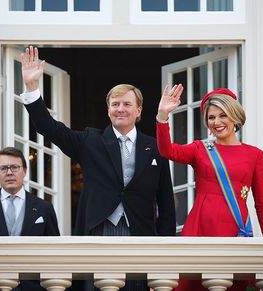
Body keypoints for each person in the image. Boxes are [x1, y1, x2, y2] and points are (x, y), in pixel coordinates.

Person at [20, 46, 176, 291]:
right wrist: (32, 88)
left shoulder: (155, 147)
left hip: (141, 235)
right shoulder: (90, 141)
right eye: (115, 104)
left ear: (139, 111)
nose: (120, 109)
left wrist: (165, 254)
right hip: (98, 232)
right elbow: (48, 127)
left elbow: (165, 201)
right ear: (108, 110)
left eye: (126, 104)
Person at [156, 85, 263, 291]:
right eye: (211, 118)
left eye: (223, 115)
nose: (216, 122)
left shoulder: (255, 155)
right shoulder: (200, 149)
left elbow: (262, 204)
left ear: (235, 117)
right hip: (200, 229)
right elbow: (167, 151)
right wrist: (162, 116)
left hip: (236, 231)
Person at [0, 146, 60, 291]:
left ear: (25, 171)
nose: (9, 172)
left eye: (14, 167)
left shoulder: (44, 208)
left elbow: (55, 251)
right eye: (3, 168)